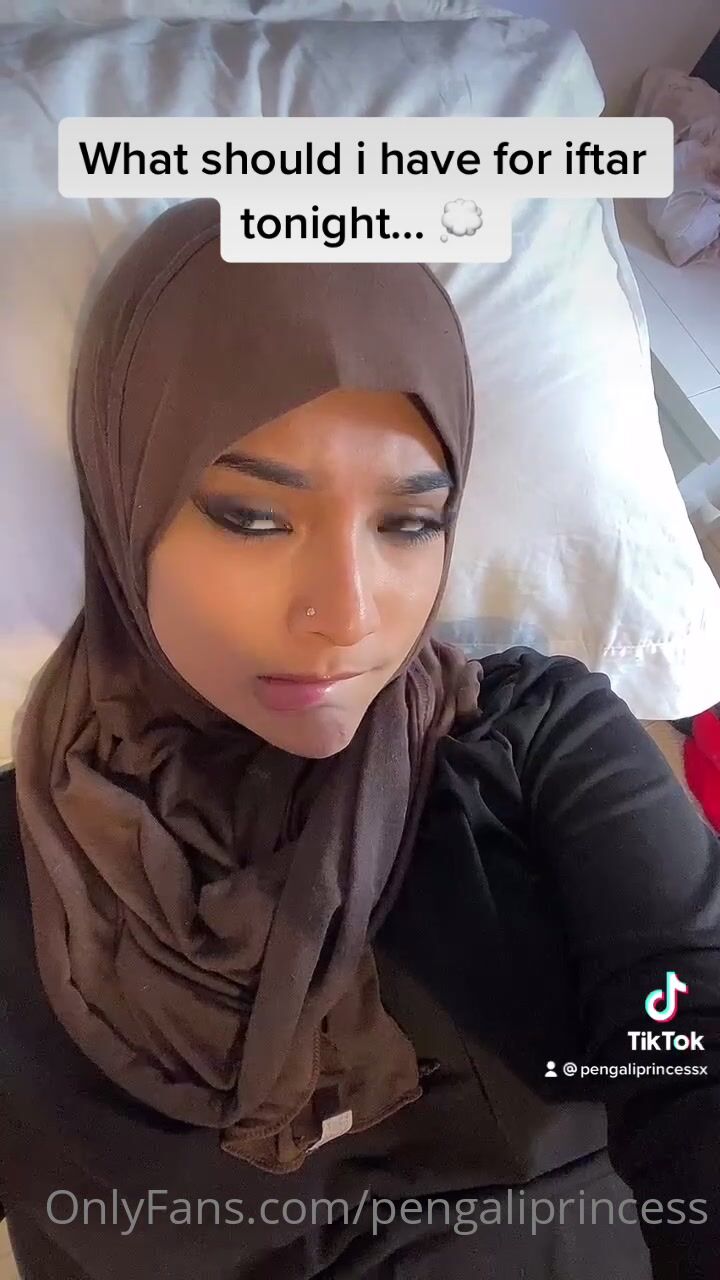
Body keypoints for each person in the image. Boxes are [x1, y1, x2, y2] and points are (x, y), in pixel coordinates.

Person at [0, 197, 719, 1280]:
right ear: (127, 494)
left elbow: (691, 1021)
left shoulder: (534, 742)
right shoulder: (16, 877)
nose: (347, 614)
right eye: (253, 517)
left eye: (409, 524)